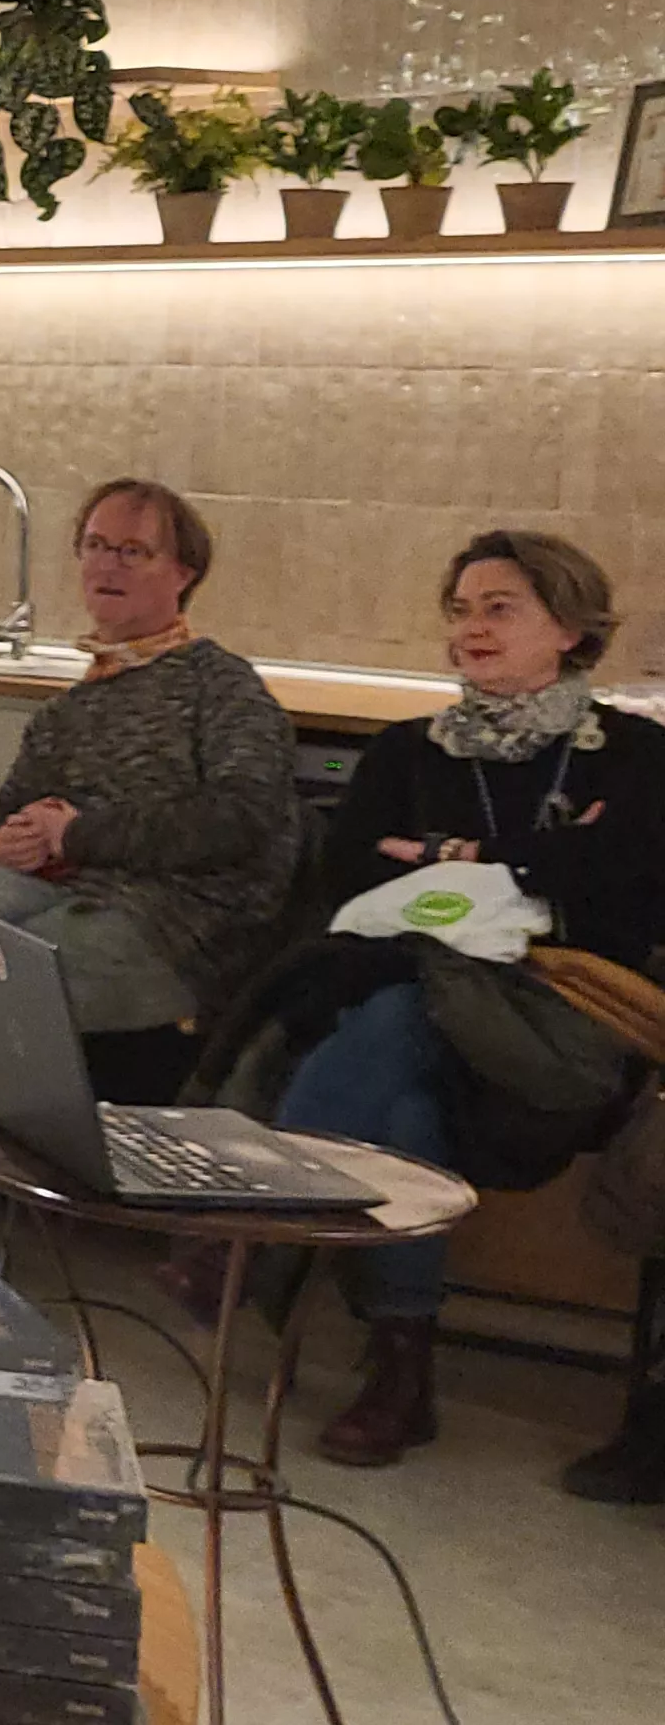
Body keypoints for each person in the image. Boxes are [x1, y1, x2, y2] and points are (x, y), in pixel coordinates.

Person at [195, 531, 665, 1472]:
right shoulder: (412, 751)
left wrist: (448, 859)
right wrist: (528, 869)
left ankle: (254, 1233)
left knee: (396, 1007)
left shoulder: (634, 755)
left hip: (555, 1039)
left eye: (500, 608)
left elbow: (628, 887)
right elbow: (351, 871)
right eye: (459, 609)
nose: (470, 629)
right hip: (418, 1042)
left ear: (570, 628)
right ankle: (399, 1377)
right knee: (402, 1066)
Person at [0, 478, 299, 1106]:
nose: (106, 564)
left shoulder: (222, 686)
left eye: (132, 551)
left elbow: (242, 816)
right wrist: (16, 841)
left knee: (6, 961)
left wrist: (78, 832)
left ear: (183, 573)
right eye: (94, 545)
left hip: (175, 930)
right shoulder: (71, 708)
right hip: (70, 905)